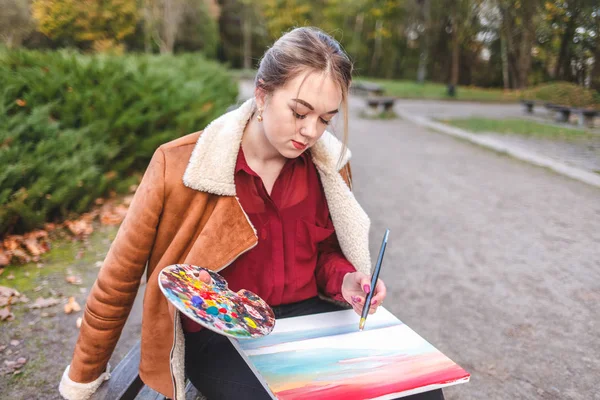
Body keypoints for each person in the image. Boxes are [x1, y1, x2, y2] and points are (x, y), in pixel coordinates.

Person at [59, 27, 444, 400]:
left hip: (310, 320)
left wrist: (346, 281)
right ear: (262, 95)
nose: (312, 131)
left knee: (422, 389)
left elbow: (325, 252)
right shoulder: (177, 165)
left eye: (325, 118)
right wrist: (83, 378)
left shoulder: (327, 167)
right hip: (223, 335)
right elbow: (117, 281)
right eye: (299, 112)